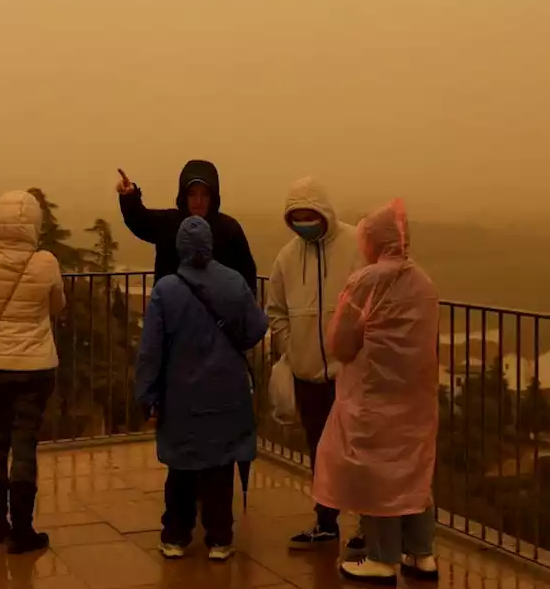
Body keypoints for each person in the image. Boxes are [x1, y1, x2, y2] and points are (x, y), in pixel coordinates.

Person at [313, 199, 441, 585]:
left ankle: (382, 558)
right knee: (413, 472)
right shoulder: (424, 283)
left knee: (379, 475)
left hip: (371, 397)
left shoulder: (366, 281)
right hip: (416, 396)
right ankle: (422, 555)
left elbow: (341, 342)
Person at [135, 216, 269, 561]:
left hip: (180, 395)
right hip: (226, 392)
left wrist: (147, 396)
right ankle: (220, 538)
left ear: (180, 247)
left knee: (181, 466)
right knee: (220, 465)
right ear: (209, 245)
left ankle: (176, 536)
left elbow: (151, 349)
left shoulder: (166, 290)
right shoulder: (234, 282)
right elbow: (256, 329)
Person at [266, 177, 367, 552]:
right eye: (297, 218)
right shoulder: (287, 257)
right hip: (308, 375)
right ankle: (326, 522)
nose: (304, 223)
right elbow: (276, 309)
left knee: (358, 453)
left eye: (310, 216)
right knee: (320, 452)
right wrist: (291, 347)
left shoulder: (357, 244)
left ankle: (367, 527)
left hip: (350, 375)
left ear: (325, 212)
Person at [0, 190, 66, 554]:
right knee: (24, 446)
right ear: (33, 224)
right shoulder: (46, 262)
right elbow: (56, 306)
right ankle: (22, 531)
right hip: (34, 368)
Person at [117, 161, 258, 293]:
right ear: (184, 196)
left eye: (205, 194)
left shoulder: (230, 230)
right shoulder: (168, 224)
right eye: (192, 194)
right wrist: (129, 196)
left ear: (213, 197)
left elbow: (247, 277)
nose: (199, 201)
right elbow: (140, 221)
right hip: (173, 315)